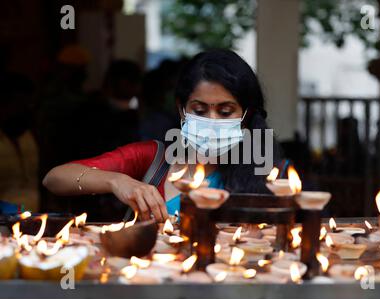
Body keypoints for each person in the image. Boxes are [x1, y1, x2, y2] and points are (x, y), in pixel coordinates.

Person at [43, 49, 281, 222]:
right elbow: (54, 179)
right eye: (199, 110)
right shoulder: (154, 158)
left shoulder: (267, 170)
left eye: (225, 111)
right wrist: (117, 181)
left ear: (246, 115)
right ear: (181, 109)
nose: (211, 121)